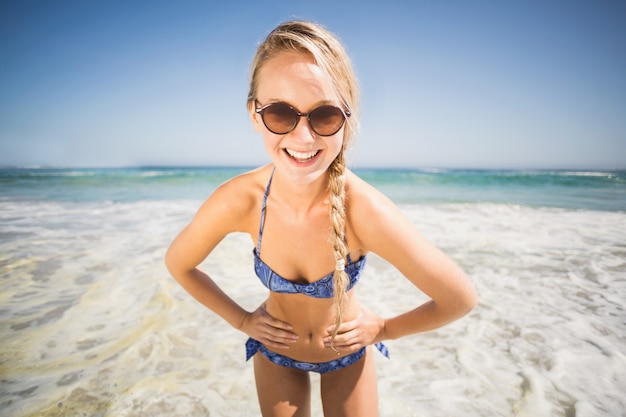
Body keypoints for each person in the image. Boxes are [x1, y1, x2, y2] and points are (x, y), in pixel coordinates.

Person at [165, 20, 477, 417]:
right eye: (281, 113)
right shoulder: (241, 200)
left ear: (347, 120)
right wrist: (242, 320)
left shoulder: (363, 210)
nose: (303, 137)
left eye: (324, 116)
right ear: (254, 115)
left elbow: (459, 298)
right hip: (276, 354)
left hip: (347, 357)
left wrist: (384, 329)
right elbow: (179, 264)